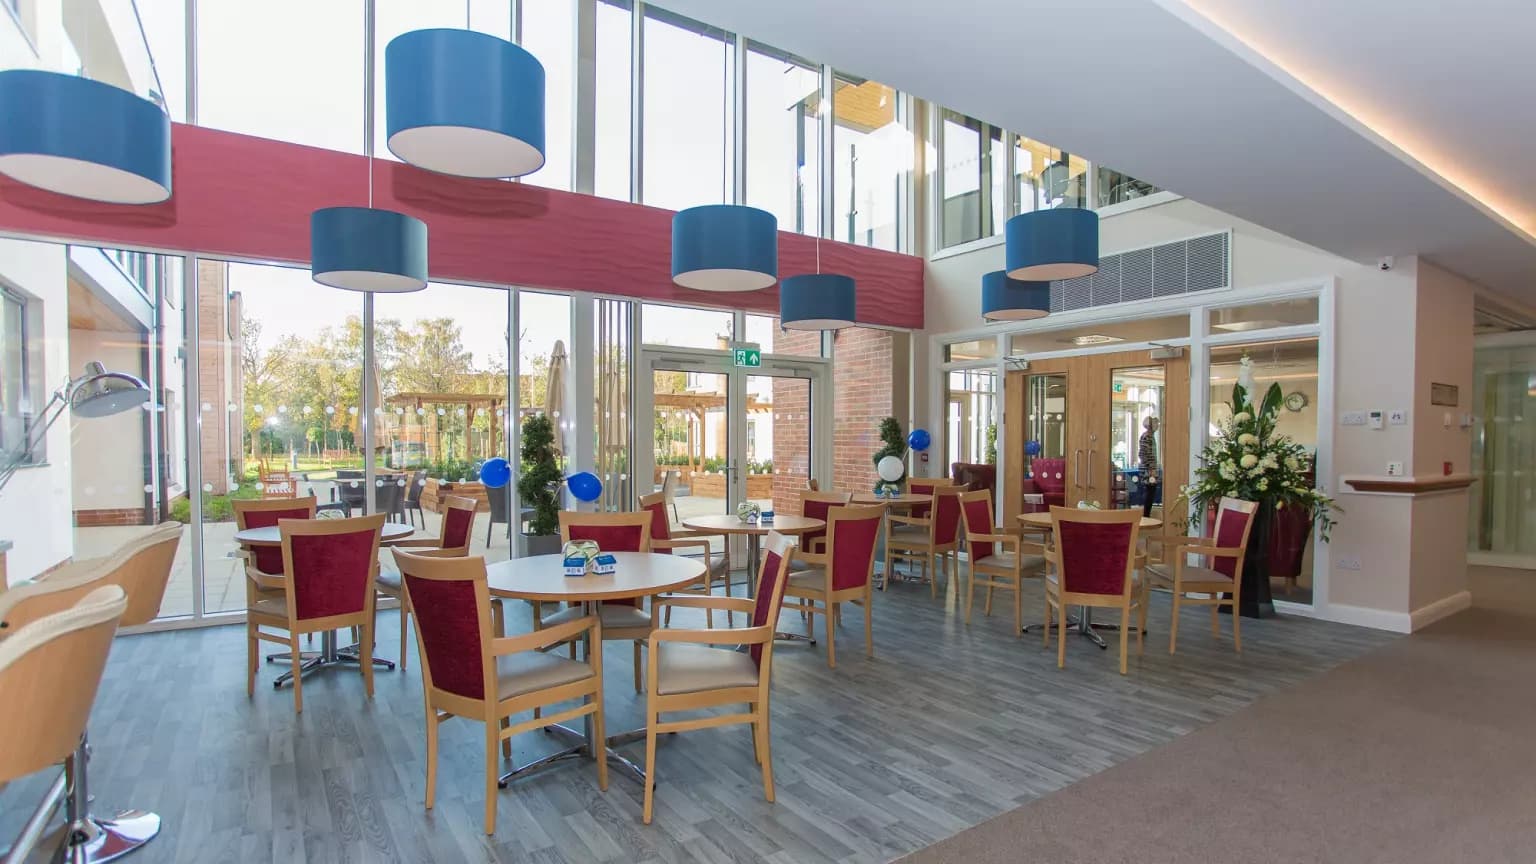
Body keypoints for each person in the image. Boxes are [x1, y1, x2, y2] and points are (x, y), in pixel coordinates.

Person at [1139, 416, 1160, 517]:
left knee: (1151, 491)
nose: (1157, 426)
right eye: (1156, 424)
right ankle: (1146, 514)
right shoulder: (1147, 436)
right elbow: (1143, 454)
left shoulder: (1150, 436)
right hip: (1148, 470)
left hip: (1151, 469)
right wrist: (1151, 468)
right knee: (1149, 490)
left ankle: (1147, 513)